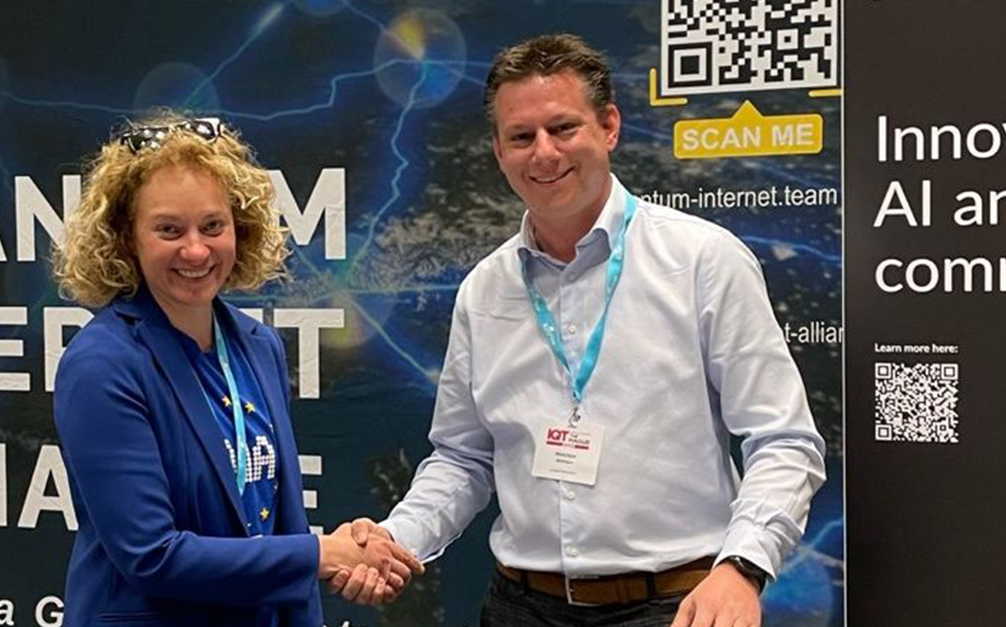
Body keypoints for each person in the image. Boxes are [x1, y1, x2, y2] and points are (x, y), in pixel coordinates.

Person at [334, 33, 827, 627]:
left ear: (609, 127)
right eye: (522, 136)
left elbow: (783, 440)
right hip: (521, 609)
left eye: (563, 128)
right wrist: (396, 538)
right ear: (498, 150)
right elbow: (464, 458)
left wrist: (743, 567)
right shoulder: (484, 291)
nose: (544, 153)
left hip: (678, 607)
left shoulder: (703, 261)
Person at [52, 113, 420, 626]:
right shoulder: (101, 365)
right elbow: (152, 556)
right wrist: (322, 554)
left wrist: (338, 558)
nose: (195, 249)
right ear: (126, 238)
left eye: (212, 226)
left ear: (240, 228)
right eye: (168, 230)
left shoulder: (258, 345)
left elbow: (281, 522)